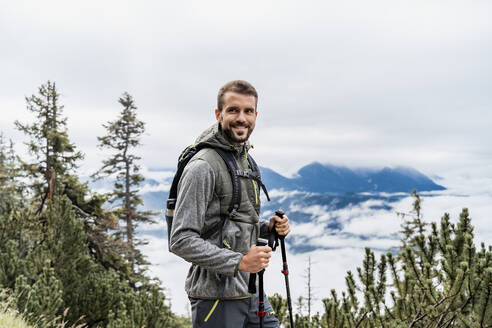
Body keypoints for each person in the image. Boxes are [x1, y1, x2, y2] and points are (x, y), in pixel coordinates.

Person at [169, 80, 291, 327]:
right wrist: (240, 262)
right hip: (216, 297)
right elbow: (181, 240)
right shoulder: (202, 167)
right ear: (218, 114)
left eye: (248, 111)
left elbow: (233, 225)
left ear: (256, 115)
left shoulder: (246, 161)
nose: (241, 118)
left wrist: (269, 229)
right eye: (233, 110)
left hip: (249, 288)